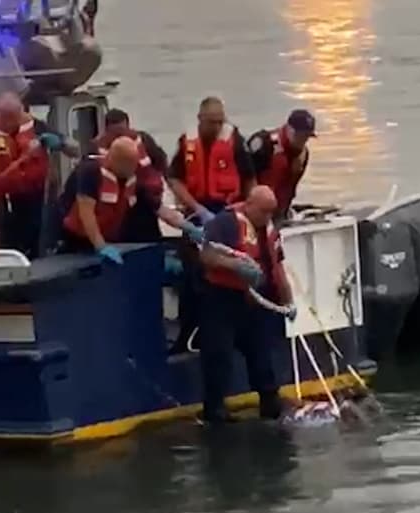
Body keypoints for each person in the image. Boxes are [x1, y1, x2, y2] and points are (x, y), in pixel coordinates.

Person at [197, 186, 295, 423]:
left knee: (262, 353)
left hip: (254, 301)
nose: (267, 218)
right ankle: (214, 410)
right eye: (263, 212)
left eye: (271, 212)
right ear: (249, 204)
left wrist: (288, 301)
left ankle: (270, 403)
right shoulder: (225, 223)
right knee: (219, 354)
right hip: (222, 298)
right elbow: (207, 255)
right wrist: (235, 266)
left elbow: (277, 268)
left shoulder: (270, 230)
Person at [167, 97, 256, 352]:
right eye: (211, 122)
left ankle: (233, 335)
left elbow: (249, 180)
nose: (217, 127)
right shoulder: (187, 143)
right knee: (191, 276)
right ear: (200, 119)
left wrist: (245, 214)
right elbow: (174, 179)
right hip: (198, 214)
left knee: (229, 275)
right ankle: (187, 336)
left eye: (220, 121)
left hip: (228, 213)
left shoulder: (235, 141)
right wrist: (195, 208)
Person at [0, 92, 72, 259]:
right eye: (4, 118)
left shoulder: (38, 127)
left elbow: (75, 150)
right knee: (6, 241)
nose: (9, 123)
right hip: (3, 201)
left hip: (37, 198)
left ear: (20, 113)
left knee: (39, 237)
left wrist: (60, 143)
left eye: (13, 117)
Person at [59, 137, 202, 264]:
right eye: (130, 164)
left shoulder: (133, 181)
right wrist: (100, 246)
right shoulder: (91, 172)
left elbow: (160, 210)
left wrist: (188, 227)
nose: (134, 168)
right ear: (116, 160)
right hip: (77, 240)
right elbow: (86, 212)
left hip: (109, 239)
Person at [89, 108, 169, 243]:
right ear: (107, 130)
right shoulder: (95, 150)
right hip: (116, 205)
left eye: (123, 132)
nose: (121, 138)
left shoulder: (143, 140)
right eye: (116, 134)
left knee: (149, 236)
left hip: (142, 197)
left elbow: (161, 161)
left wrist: (160, 186)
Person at [248, 109, 316, 220]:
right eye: (300, 135)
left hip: (280, 211)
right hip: (257, 211)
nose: (302, 140)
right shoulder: (264, 144)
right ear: (288, 129)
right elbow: (246, 178)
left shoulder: (303, 155)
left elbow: (291, 187)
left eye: (306, 137)